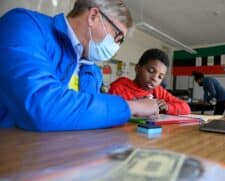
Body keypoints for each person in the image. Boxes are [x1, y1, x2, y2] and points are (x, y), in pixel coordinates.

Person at [0, 0, 159, 131]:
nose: (117, 46)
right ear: (93, 16)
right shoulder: (23, 25)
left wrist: (131, 112)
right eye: (118, 38)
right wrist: (131, 107)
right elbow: (43, 107)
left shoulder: (92, 70)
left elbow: (86, 117)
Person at [109, 48, 191, 115]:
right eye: (151, 71)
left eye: (160, 76)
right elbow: (110, 114)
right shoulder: (119, 88)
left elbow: (186, 107)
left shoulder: (158, 91)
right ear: (137, 68)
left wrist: (167, 107)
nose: (155, 78)